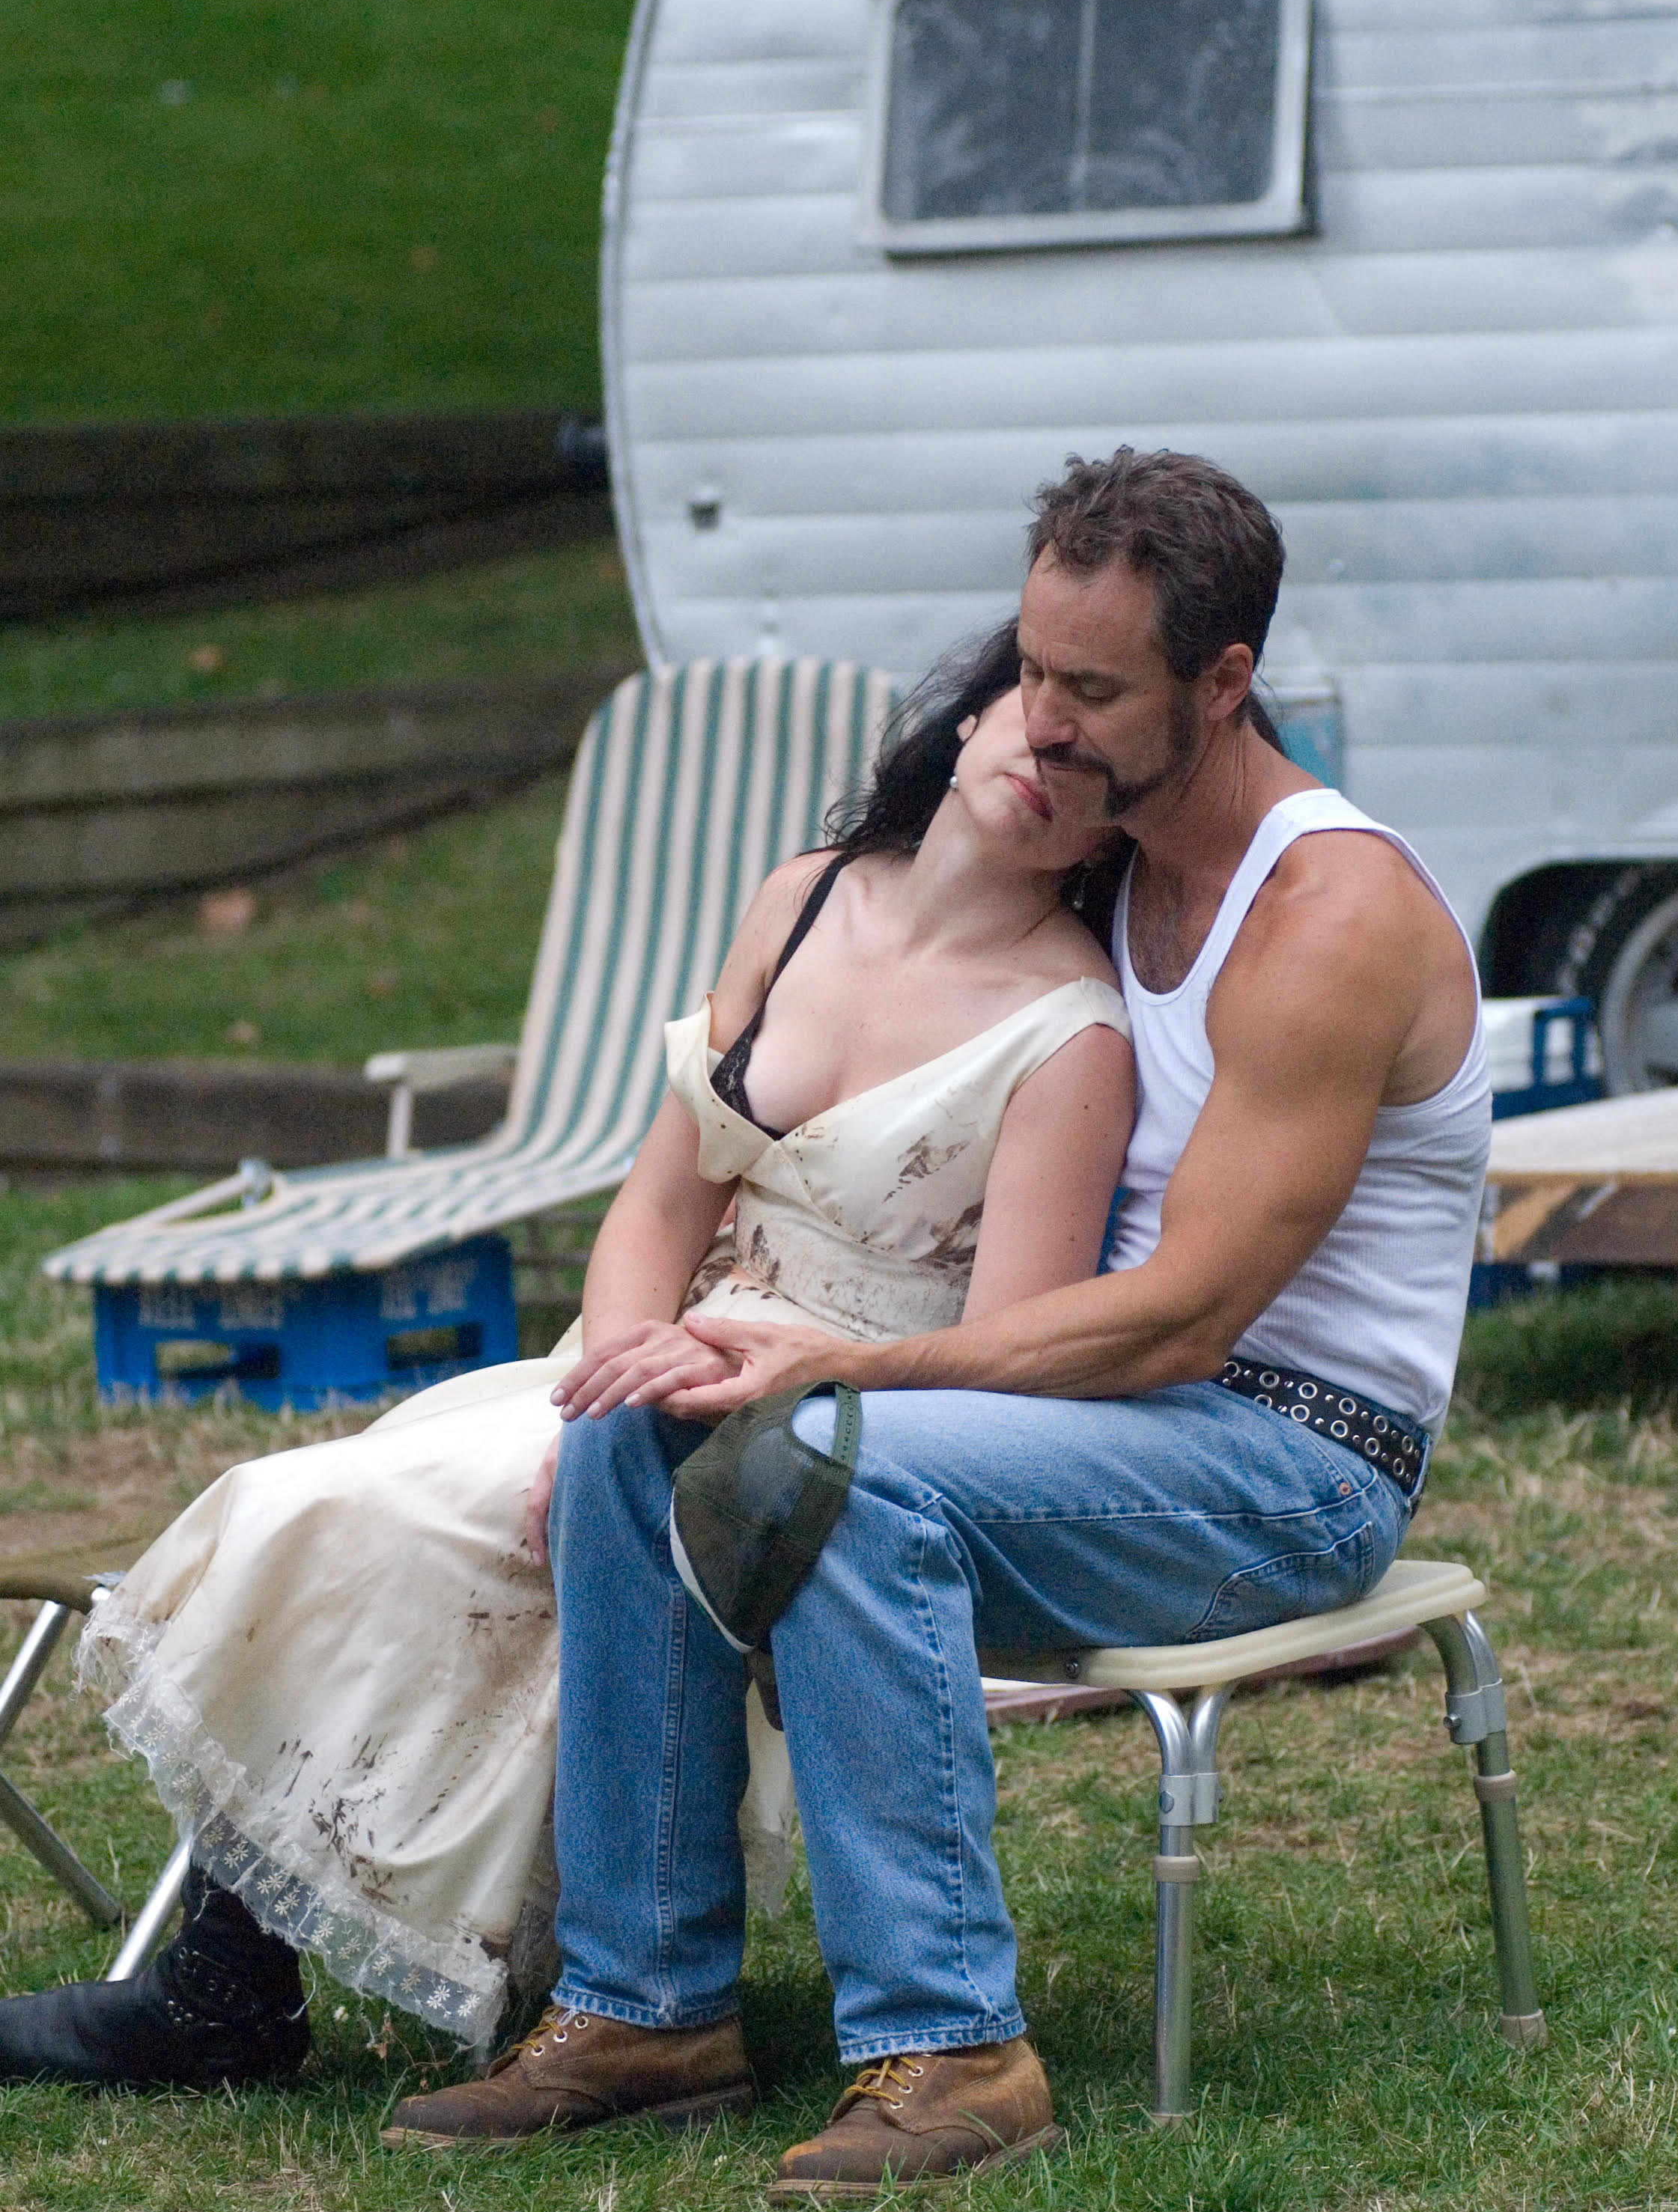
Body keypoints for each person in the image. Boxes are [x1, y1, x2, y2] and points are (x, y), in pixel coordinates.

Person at [390, 446, 1493, 2192]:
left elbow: (1189, 1320)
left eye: (1092, 690)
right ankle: (646, 2006)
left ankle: (950, 2046)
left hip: (1289, 1460)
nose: (1036, 722)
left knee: (840, 1461)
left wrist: (839, 1361)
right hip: (1096, 1420)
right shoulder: (1116, 864)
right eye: (1031, 668)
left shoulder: (1329, 915)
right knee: (632, 1424)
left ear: (1224, 685)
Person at [0, 635, 1133, 2090]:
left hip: (833, 1417)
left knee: (384, 1519)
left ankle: (239, 1991)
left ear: (1125, 827)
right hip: (638, 1364)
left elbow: (1002, 1361)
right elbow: (661, 1203)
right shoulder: (805, 902)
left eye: (1095, 775)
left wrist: (747, 1392)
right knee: (331, 1494)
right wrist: (607, 1385)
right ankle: (233, 1979)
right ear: (973, 712)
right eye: (1036, 729)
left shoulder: (1068, 1034)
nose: (1046, 775)